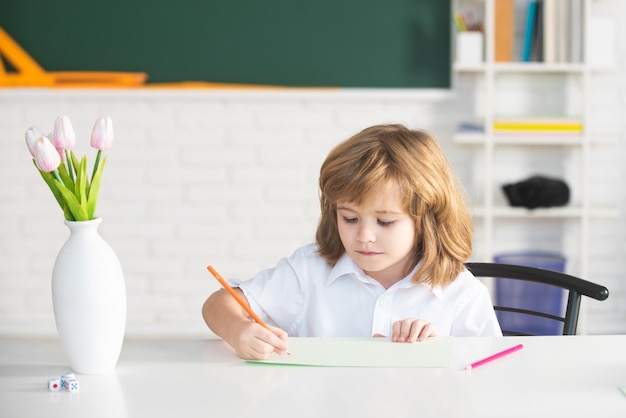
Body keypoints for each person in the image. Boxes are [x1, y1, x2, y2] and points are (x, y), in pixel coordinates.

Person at [202, 124, 502, 360]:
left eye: (384, 222)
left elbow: (490, 372)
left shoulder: (460, 293)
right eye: (349, 218)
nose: (364, 236)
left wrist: (440, 353)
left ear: (426, 219)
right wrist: (238, 330)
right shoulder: (309, 272)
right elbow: (219, 304)